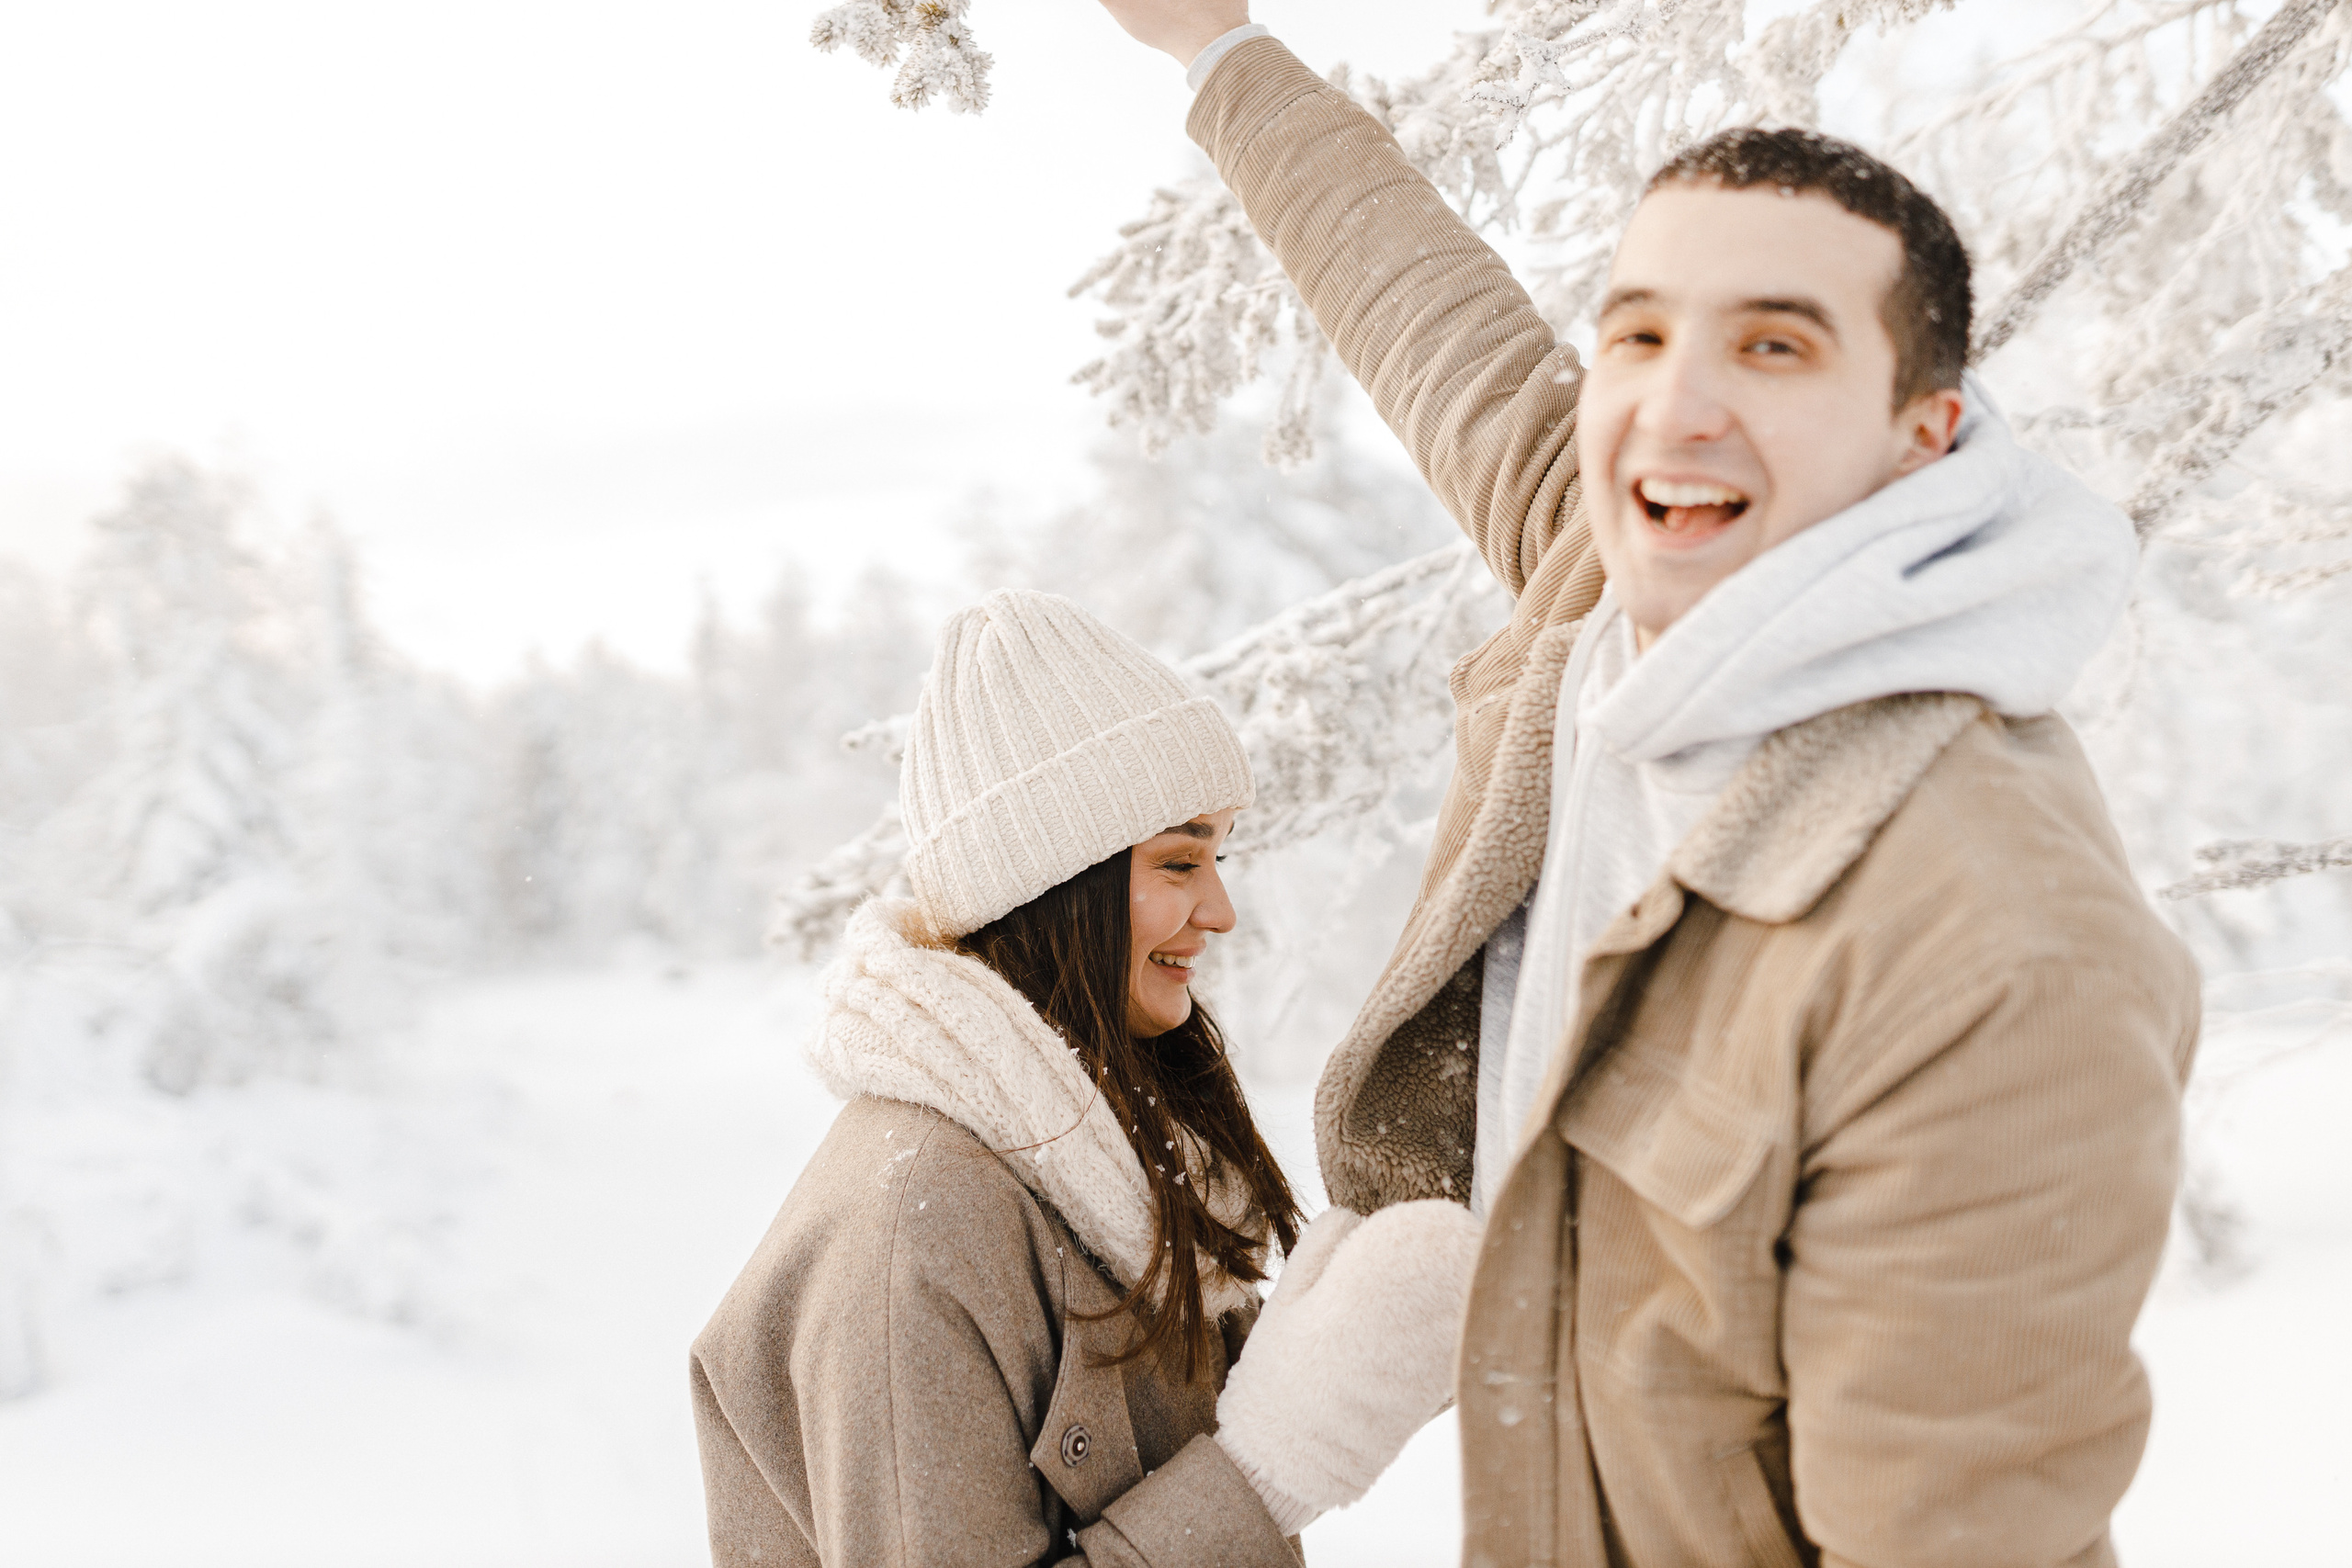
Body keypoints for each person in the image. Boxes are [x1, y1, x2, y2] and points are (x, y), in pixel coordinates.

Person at [1093, 6, 2204, 1565]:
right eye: (1638, 331)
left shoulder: (1994, 936)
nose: (1673, 405)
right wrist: (1217, 50)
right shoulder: (1606, 589)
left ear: (1920, 435)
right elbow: (1428, 314)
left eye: (1773, 343)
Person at [689, 588, 1485, 1565]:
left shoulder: (1079, 1163)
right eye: (1181, 862)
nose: (1222, 909)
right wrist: (1269, 1467)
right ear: (1059, 883)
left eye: (1218, 857)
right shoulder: (918, 1231)